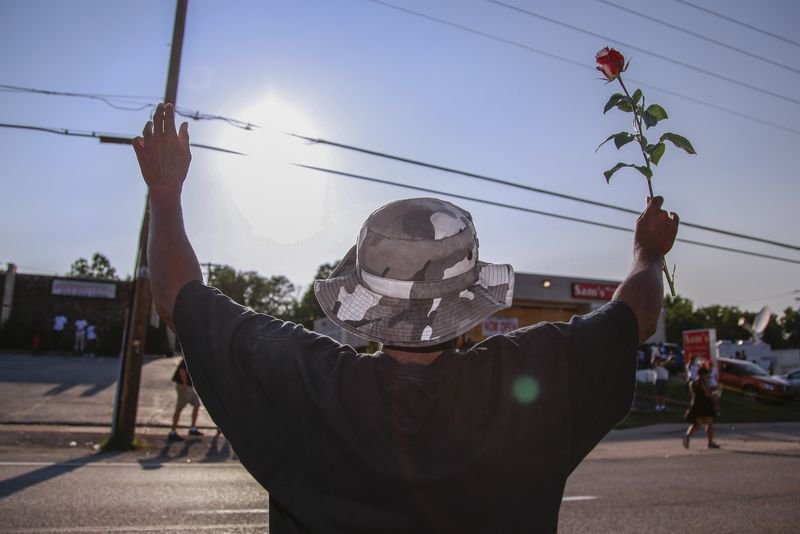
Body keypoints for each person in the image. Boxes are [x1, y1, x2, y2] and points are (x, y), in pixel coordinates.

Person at [133, 103, 679, 533]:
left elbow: (175, 295)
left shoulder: (307, 384)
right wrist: (648, 251)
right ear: (468, 301)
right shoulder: (533, 376)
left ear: (363, 302)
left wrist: (164, 193)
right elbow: (637, 312)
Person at [683, 367, 720, 449]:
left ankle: (687, 435)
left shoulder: (693, 382)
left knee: (697, 424)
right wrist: (715, 392)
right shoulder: (703, 383)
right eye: (706, 374)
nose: (707, 376)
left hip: (696, 405)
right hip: (705, 405)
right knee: (709, 423)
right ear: (703, 374)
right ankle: (710, 442)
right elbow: (707, 394)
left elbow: (694, 394)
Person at [168, 357, 203, 442]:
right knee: (179, 408)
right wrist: (184, 383)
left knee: (197, 405)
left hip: (190, 387)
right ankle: (172, 432)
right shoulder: (188, 357)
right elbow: (182, 370)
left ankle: (193, 428)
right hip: (185, 386)